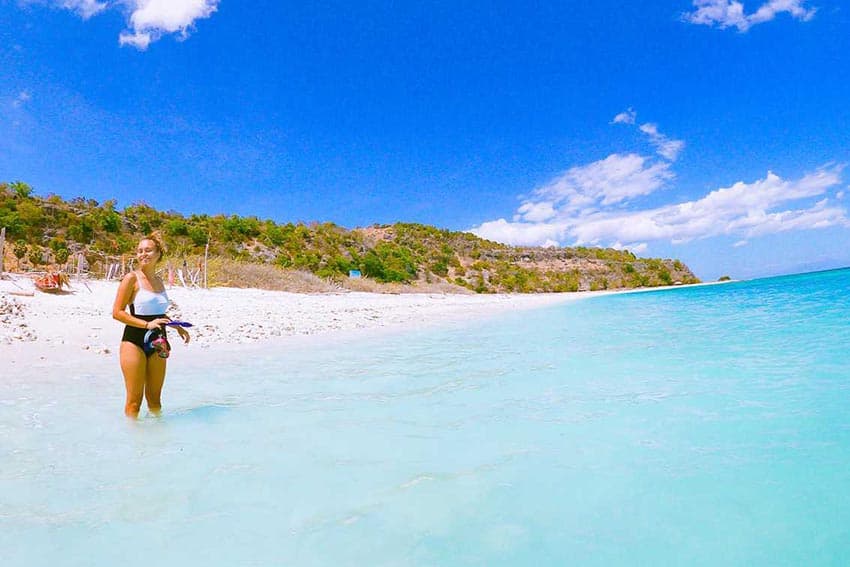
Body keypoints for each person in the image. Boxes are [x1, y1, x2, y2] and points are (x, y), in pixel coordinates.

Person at [112, 234, 190, 417]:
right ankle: (133, 442)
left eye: (148, 250)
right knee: (134, 402)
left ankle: (156, 442)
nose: (143, 254)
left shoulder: (159, 281)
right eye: (139, 251)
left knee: (155, 400)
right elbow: (117, 312)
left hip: (159, 341)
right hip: (134, 341)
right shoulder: (131, 278)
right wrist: (147, 325)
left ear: (158, 254)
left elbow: (157, 311)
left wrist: (175, 325)